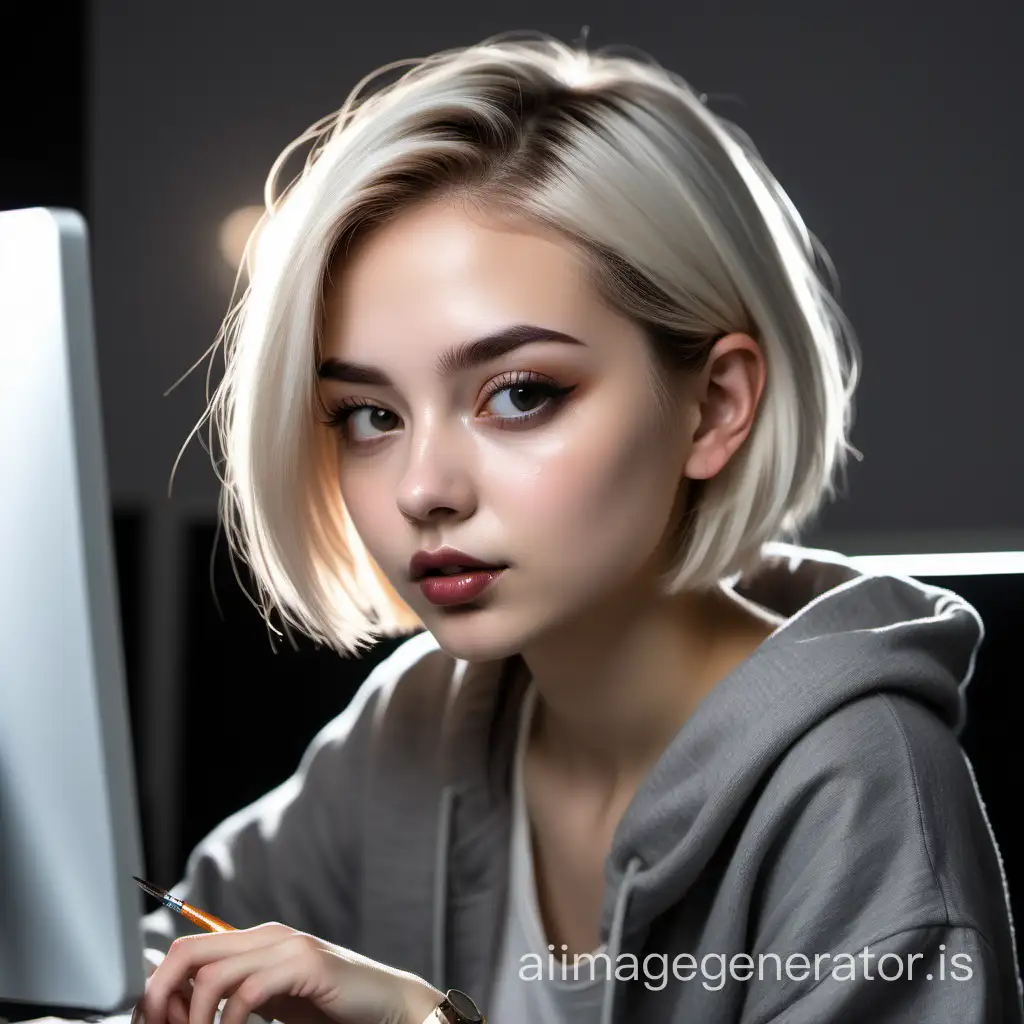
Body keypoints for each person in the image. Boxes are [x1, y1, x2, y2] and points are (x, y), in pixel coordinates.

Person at [130, 33, 1022, 1024]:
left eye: (519, 394)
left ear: (715, 405)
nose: (423, 487)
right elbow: (168, 952)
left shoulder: (859, 792)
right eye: (369, 415)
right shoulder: (424, 723)